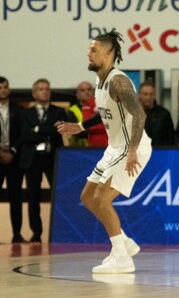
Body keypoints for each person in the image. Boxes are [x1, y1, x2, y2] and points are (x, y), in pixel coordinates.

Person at [57, 29, 152, 273]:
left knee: (101, 198)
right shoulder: (101, 80)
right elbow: (105, 112)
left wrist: (131, 150)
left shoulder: (119, 81)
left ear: (108, 54)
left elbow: (139, 113)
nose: (88, 53)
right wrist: (79, 126)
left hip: (132, 145)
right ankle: (124, 244)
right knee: (88, 197)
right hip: (115, 147)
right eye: (89, 49)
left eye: (94, 50)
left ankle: (122, 257)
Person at [17, 78, 68, 243]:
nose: (45, 91)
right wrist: (46, 130)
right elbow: (26, 135)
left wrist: (37, 129)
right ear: (34, 93)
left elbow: (57, 131)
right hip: (32, 159)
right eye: (41, 89)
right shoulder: (26, 113)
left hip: (52, 158)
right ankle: (36, 233)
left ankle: (60, 232)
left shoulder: (58, 112)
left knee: (58, 194)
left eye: (47, 88)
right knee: (33, 197)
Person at [0, 77, 25, 243]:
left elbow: (24, 132)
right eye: (0, 87)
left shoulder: (18, 108)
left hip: (14, 158)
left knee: (16, 197)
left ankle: (17, 234)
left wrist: (13, 151)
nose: (2, 90)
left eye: (5, 87)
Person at [139, 81, 175, 146]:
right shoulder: (131, 115)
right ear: (139, 95)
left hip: (160, 153)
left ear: (155, 95)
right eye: (145, 94)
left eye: (151, 94)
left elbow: (171, 138)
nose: (148, 97)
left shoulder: (164, 114)